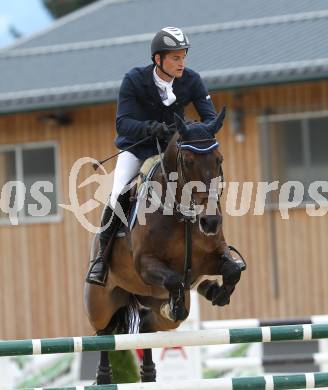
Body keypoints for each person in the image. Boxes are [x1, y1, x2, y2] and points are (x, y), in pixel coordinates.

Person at [86, 26, 218, 286]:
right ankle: (101, 258)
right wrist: (149, 128)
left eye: (183, 57)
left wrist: (192, 131)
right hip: (138, 149)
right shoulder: (134, 80)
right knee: (118, 193)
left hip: (174, 151)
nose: (182, 63)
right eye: (175, 58)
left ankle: (210, 249)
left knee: (203, 184)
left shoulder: (191, 80)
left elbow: (211, 118)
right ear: (158, 59)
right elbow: (123, 123)